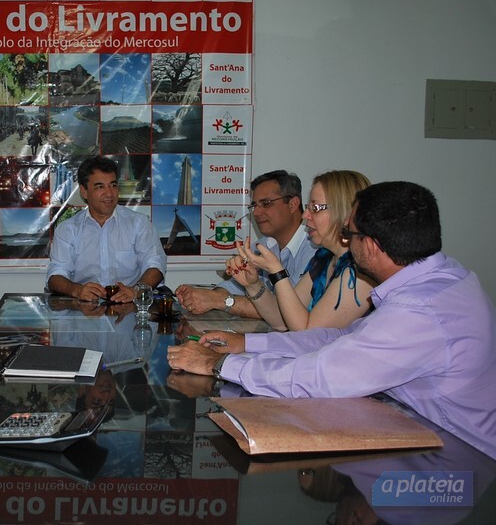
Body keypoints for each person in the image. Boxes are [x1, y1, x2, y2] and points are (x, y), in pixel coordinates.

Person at [167, 181, 496, 460]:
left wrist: (217, 365)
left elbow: (321, 377)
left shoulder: (418, 310)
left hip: (457, 457)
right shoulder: (443, 277)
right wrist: (247, 344)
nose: (346, 242)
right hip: (420, 432)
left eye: (350, 234)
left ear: (371, 245)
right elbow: (336, 338)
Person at [226, 170, 375, 331]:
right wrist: (253, 285)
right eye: (307, 208)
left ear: (346, 213)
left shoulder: (360, 272)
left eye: (315, 208)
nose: (305, 215)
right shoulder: (325, 258)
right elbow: (282, 319)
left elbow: (308, 332)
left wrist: (277, 272)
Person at [175, 170, 316, 318]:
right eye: (254, 205)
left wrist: (218, 300)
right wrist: (204, 297)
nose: (256, 213)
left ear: (293, 204)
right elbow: (234, 285)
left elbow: (289, 311)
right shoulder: (263, 245)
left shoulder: (315, 249)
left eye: (266, 204)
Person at [46, 156, 167, 303]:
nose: (109, 193)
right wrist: (77, 290)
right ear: (84, 191)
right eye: (100, 187)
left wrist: (135, 291)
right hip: (84, 309)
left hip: (130, 307)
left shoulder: (139, 223)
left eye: (113, 185)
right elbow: (55, 276)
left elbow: (155, 265)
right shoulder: (67, 229)